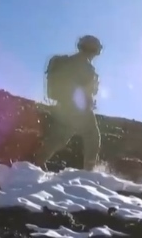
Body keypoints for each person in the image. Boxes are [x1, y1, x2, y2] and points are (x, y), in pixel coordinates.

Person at [33, 35, 103, 171]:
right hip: (78, 109)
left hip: (65, 107)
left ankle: (38, 161)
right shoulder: (85, 66)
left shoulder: (70, 62)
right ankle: (89, 172)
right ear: (93, 50)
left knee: (60, 138)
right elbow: (87, 90)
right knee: (93, 138)